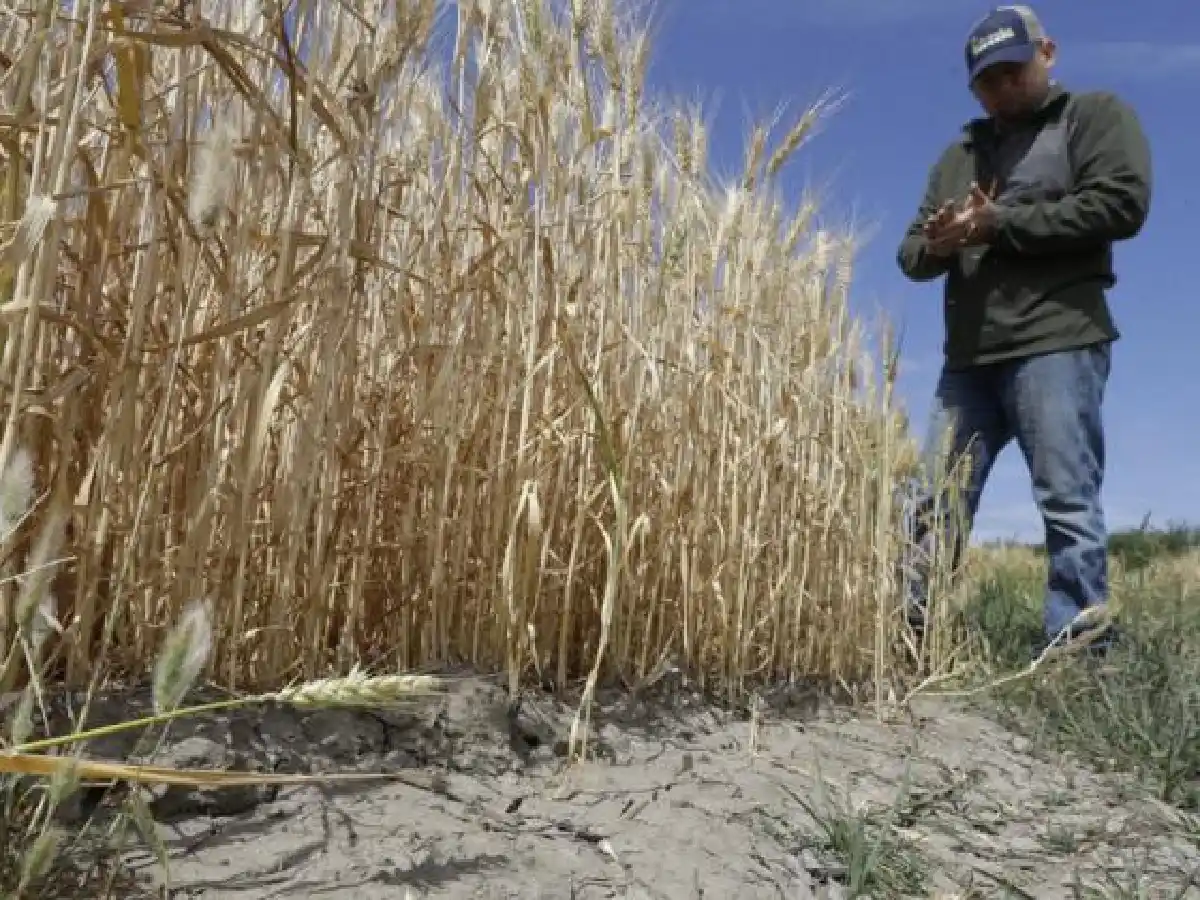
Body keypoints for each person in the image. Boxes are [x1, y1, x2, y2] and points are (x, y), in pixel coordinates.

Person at [896, 5, 1152, 659]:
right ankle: (904, 637)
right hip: (969, 358)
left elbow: (1121, 203)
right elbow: (909, 255)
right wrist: (942, 240)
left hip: (1059, 340)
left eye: (1013, 71)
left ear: (1048, 53)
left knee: (1066, 498)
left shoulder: (1093, 116)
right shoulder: (960, 153)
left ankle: (1078, 646)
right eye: (988, 80)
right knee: (932, 501)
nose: (1002, 88)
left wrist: (998, 223)